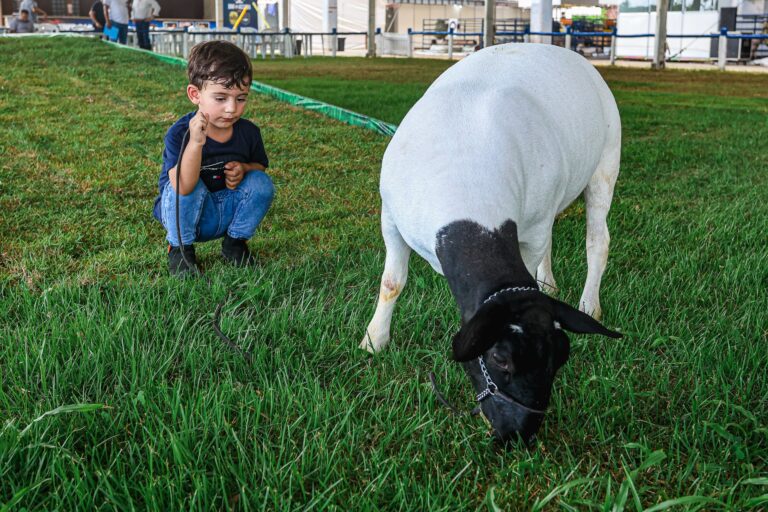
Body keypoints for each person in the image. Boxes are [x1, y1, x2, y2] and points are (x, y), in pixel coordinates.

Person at [152, 41, 274, 276]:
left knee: (261, 182)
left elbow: (260, 167)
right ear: (195, 94)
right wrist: (196, 143)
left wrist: (244, 168)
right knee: (189, 184)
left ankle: (234, 244)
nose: (232, 109)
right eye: (221, 98)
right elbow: (182, 186)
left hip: (223, 209)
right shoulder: (181, 133)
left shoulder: (248, 132)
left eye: (241, 98)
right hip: (187, 213)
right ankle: (180, 250)